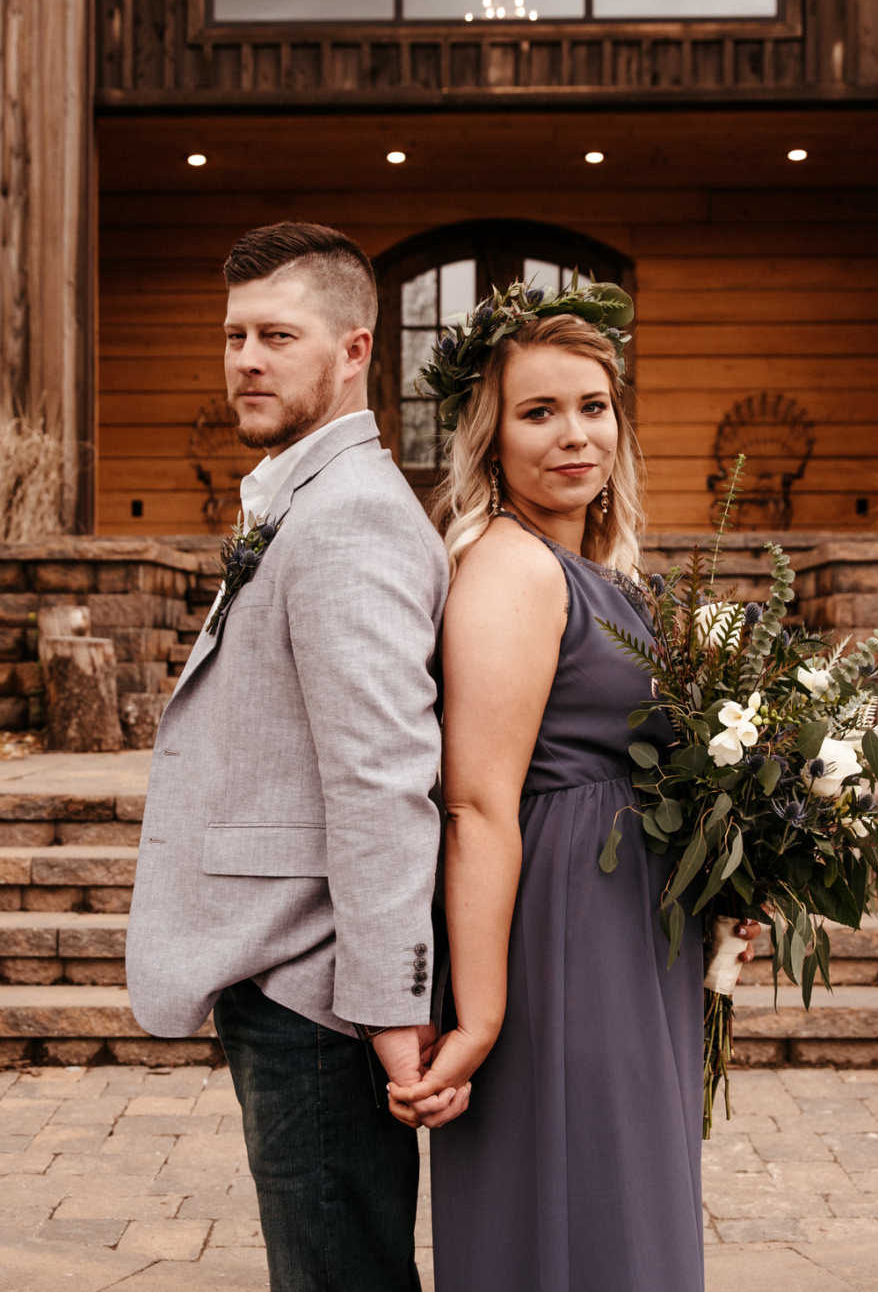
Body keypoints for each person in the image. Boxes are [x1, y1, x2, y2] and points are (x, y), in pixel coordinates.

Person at [389, 280, 760, 1291]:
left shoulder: (602, 569)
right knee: (577, 1195)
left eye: (592, 407)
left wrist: (730, 863)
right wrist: (482, 1014)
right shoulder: (510, 568)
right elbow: (477, 801)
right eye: (538, 411)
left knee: (628, 1194)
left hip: (633, 922)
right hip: (563, 922)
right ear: (491, 435)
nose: (573, 435)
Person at [126, 221, 448, 1292]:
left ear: (355, 349)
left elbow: (384, 778)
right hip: (290, 974)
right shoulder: (299, 498)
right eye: (233, 336)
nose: (247, 360)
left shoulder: (350, 516)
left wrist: (397, 1003)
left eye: (276, 335)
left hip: (319, 991)